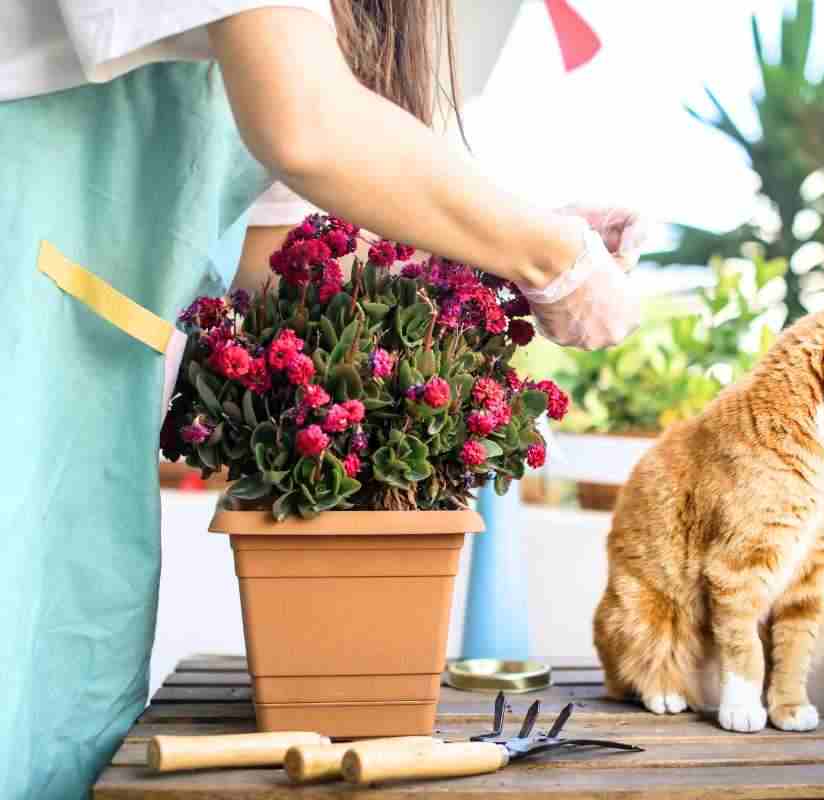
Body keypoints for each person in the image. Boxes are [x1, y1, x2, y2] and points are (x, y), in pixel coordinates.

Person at [0, 2, 642, 797]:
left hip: (79, 422)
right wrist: (555, 257)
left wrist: (503, 258)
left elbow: (285, 261)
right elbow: (305, 123)